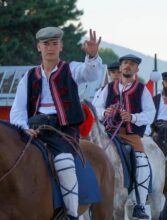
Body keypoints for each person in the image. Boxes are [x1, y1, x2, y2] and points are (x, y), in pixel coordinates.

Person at [10, 27, 102, 220]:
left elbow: (91, 75)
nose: (50, 48)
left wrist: (92, 57)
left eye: (54, 43)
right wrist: (24, 128)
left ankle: (70, 214)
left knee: (64, 162)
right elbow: (17, 111)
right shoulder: (28, 76)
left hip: (63, 130)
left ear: (61, 46)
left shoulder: (73, 69)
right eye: (46, 44)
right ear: (38, 47)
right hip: (34, 129)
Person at [94, 54, 156, 219]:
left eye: (132, 64)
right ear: (120, 68)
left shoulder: (142, 90)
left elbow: (150, 114)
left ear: (137, 69)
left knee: (142, 162)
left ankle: (140, 205)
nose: (128, 66)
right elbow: (95, 108)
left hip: (130, 135)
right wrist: (103, 112)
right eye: (125, 63)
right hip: (106, 133)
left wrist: (133, 117)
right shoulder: (108, 88)